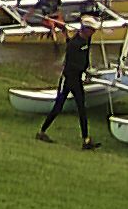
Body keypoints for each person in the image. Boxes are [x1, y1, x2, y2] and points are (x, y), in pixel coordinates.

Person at [39, 15, 101, 149]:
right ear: (85, 29)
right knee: (58, 107)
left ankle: (86, 140)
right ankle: (42, 132)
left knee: (82, 108)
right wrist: (85, 71)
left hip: (77, 79)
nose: (94, 32)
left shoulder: (87, 39)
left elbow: (85, 57)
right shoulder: (74, 44)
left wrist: (87, 69)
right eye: (92, 30)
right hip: (68, 79)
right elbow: (72, 65)